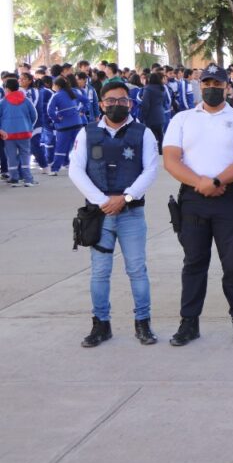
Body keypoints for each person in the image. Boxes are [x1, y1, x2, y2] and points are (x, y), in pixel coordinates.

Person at [162, 64, 233, 347]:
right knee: (194, 263)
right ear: (199, 85)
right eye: (206, 84)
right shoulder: (182, 119)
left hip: (228, 198)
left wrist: (216, 182)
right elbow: (170, 159)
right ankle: (189, 323)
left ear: (226, 87)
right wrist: (200, 183)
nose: (211, 89)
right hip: (193, 200)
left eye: (217, 84)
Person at [68, 81, 160, 347]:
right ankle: (101, 325)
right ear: (101, 104)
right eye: (111, 101)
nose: (117, 105)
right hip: (99, 215)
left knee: (137, 270)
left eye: (122, 101)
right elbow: (76, 170)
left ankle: (143, 323)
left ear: (130, 103)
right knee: (99, 272)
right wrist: (102, 202)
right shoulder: (87, 133)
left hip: (131, 213)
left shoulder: (143, 133)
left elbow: (150, 170)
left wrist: (126, 197)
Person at [0, 77, 38, 187]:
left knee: (11, 157)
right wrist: (29, 126)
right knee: (25, 155)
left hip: (8, 134)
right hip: (25, 133)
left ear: (7, 89)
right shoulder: (26, 100)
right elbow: (34, 115)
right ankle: (28, 179)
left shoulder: (3, 102)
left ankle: (14, 179)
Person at [47, 75, 85, 176]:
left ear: (57, 86)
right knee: (78, 147)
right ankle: (82, 168)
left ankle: (55, 169)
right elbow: (86, 101)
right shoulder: (73, 92)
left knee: (60, 148)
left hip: (64, 126)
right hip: (77, 123)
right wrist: (81, 111)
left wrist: (56, 119)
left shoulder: (56, 96)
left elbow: (49, 111)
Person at [139, 71, 169, 153]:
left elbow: (145, 105)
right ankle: (161, 151)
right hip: (161, 114)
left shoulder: (148, 89)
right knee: (160, 134)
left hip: (151, 116)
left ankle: (153, 151)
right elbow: (164, 102)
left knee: (151, 136)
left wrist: (142, 117)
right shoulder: (162, 88)